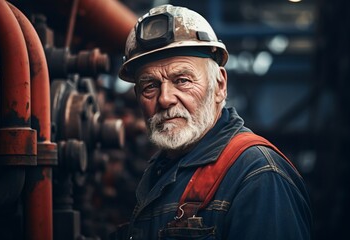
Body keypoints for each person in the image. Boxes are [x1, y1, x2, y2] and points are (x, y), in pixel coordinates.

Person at [114, 4, 312, 240]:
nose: (165, 98)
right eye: (150, 86)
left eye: (183, 80)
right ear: (137, 97)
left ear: (219, 86)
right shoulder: (160, 172)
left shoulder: (258, 175)